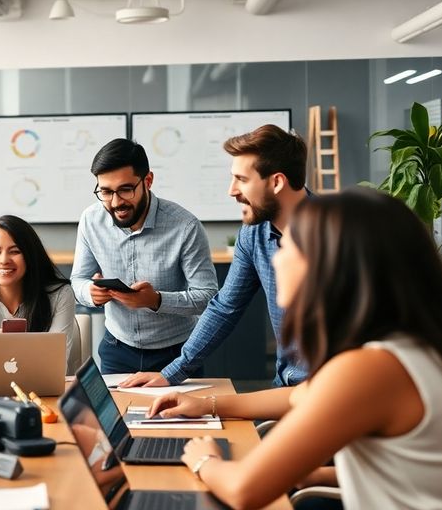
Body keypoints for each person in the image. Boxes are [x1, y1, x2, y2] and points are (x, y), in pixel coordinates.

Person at [145, 188, 442, 510]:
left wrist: (204, 460)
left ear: (331, 268)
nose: (278, 258)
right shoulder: (421, 348)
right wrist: (206, 404)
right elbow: (300, 396)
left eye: (292, 247)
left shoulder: (373, 367)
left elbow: (243, 491)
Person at [121, 124, 311, 389]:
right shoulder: (252, 234)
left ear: (277, 182)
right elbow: (225, 307)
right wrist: (171, 374)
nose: (231, 190)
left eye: (242, 180)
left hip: (331, 396)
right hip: (285, 388)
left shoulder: (341, 237)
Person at [71, 138, 218, 374]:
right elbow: (77, 280)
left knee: (178, 413)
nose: (116, 202)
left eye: (126, 190)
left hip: (177, 353)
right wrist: (91, 293)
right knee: (113, 412)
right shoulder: (90, 220)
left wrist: (156, 300)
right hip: (116, 349)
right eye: (106, 192)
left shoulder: (185, 226)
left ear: (147, 181)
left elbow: (208, 297)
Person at [0, 215, 80, 373]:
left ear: (30, 254)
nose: (4, 260)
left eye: (14, 251)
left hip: (44, 392)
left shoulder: (60, 295)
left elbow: (56, 366)